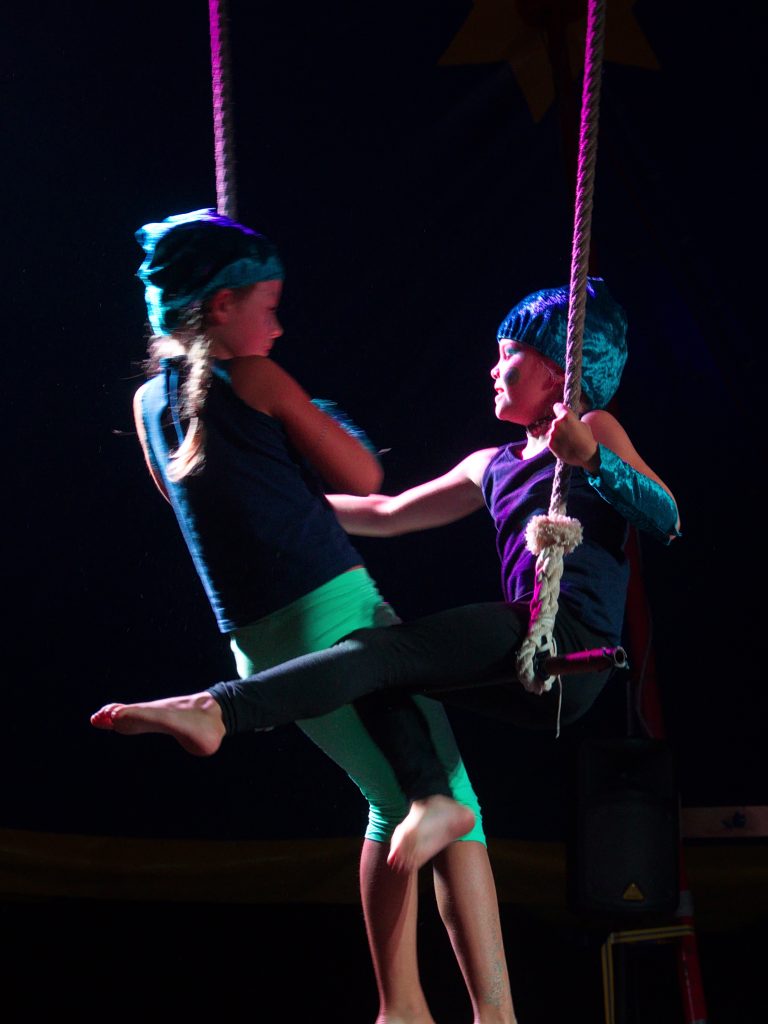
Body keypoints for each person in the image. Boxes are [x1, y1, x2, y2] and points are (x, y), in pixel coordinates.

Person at [94, 274, 679, 890]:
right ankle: (430, 800)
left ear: (558, 373)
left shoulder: (596, 429)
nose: (492, 369)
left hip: (570, 643)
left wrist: (593, 458)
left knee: (380, 651)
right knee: (378, 672)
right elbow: (387, 513)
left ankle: (219, 709)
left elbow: (667, 518)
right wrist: (273, 500)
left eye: (508, 354)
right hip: (527, 665)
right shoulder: (489, 465)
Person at [111, 208, 516, 1024]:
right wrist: (308, 412)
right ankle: (495, 1014)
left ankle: (402, 1006)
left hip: (255, 643)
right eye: (268, 306)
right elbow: (363, 475)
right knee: (451, 800)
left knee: (390, 800)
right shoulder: (258, 380)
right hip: (334, 612)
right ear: (221, 306)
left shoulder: (150, 404)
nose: (278, 326)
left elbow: (203, 505)